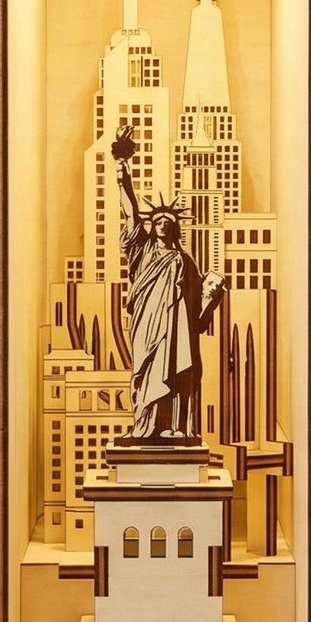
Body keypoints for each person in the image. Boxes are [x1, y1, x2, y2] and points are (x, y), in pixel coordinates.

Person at [110, 125, 224, 445]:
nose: (161, 225)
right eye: (157, 221)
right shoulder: (143, 249)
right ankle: (144, 427)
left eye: (167, 222)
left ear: (174, 228)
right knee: (145, 371)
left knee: (177, 370)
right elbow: (130, 210)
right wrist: (122, 166)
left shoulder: (185, 261)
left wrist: (212, 296)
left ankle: (175, 428)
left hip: (177, 330)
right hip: (147, 324)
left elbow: (198, 313)